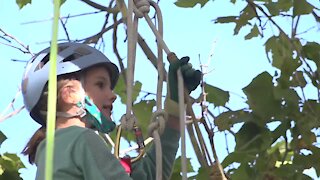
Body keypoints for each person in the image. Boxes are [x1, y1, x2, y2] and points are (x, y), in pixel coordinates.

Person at [21, 42, 201, 180]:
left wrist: (175, 107)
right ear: (69, 94)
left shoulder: (53, 148)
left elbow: (152, 174)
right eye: (100, 85)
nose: (113, 95)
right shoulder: (81, 139)